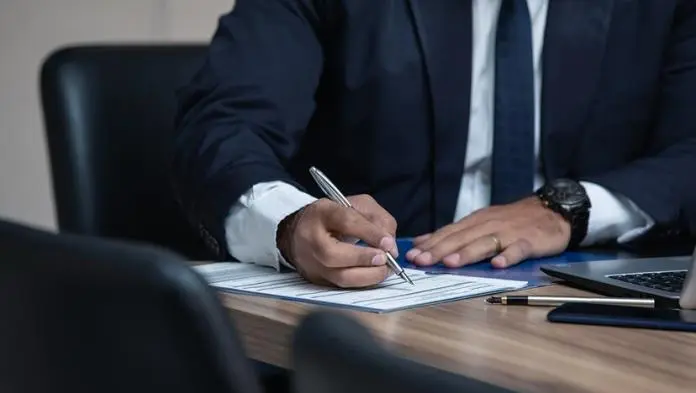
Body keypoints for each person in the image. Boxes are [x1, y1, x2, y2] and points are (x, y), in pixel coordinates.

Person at [172, 0, 696, 288]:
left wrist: (570, 208)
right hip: (379, 316)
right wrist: (290, 223)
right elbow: (223, 127)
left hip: (585, 319)